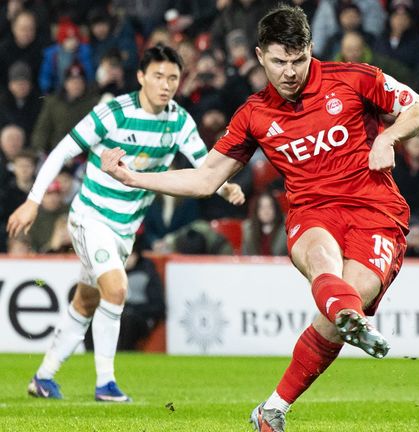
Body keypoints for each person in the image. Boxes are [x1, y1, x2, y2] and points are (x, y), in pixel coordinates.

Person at [98, 6, 419, 431]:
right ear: (259, 56)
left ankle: (273, 406)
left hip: (376, 211)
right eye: (279, 61)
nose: (289, 72)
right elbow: (205, 179)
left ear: (311, 49)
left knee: (347, 300)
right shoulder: (254, 114)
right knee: (321, 263)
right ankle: (347, 314)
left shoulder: (354, 78)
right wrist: (133, 177)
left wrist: (388, 136)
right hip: (312, 212)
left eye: (298, 60)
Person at [6, 44, 245, 402]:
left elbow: (204, 164)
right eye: (158, 76)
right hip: (90, 217)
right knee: (115, 289)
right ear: (140, 77)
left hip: (125, 228)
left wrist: (225, 187)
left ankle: (43, 377)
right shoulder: (112, 113)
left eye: (173, 78)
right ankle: (106, 383)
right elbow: (62, 151)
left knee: (86, 301)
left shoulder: (178, 120)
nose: (166, 85)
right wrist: (33, 201)